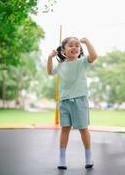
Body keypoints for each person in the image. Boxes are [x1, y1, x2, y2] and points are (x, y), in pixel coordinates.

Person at [47, 37, 98, 170]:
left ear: (79, 49)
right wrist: (49, 58)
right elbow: (49, 72)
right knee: (65, 129)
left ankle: (88, 156)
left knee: (83, 129)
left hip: (80, 100)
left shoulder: (82, 62)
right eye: (70, 45)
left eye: (77, 45)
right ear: (63, 50)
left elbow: (94, 56)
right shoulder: (61, 65)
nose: (74, 47)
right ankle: (62, 158)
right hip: (64, 102)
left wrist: (87, 42)